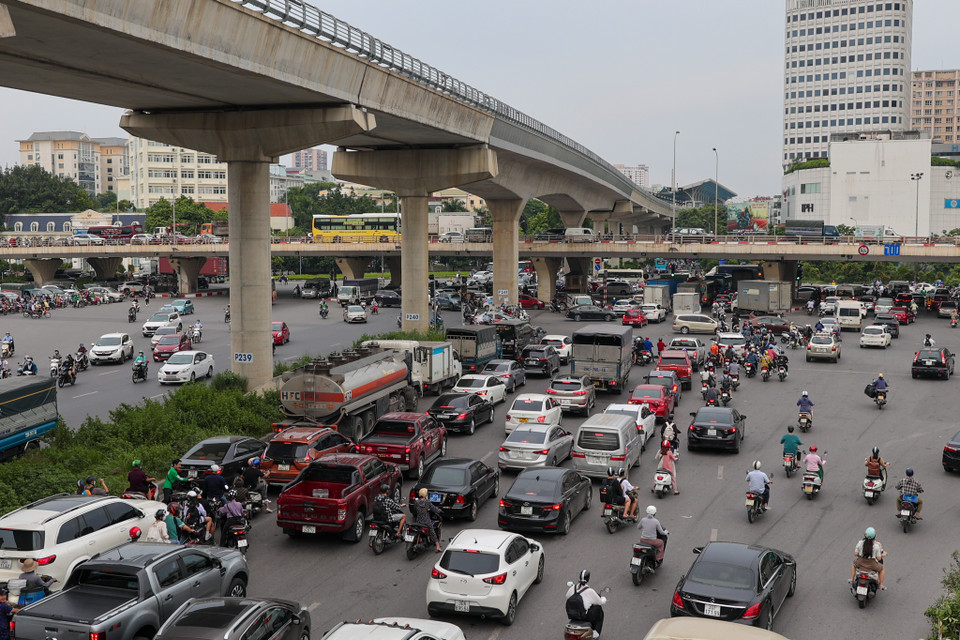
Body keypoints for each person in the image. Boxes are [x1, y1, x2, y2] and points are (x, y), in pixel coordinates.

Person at [565, 570, 605, 637]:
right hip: (583, 617)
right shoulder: (589, 591)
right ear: (588, 579)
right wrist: (603, 599)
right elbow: (599, 602)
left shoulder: (573, 588)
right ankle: (596, 633)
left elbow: (567, 596)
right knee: (599, 610)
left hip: (572, 615)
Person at [413, 488, 443, 553]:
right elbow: (434, 508)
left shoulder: (416, 502)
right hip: (426, 521)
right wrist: (439, 510)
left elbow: (415, 509)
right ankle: (438, 546)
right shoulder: (427, 502)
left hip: (418, 521)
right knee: (432, 532)